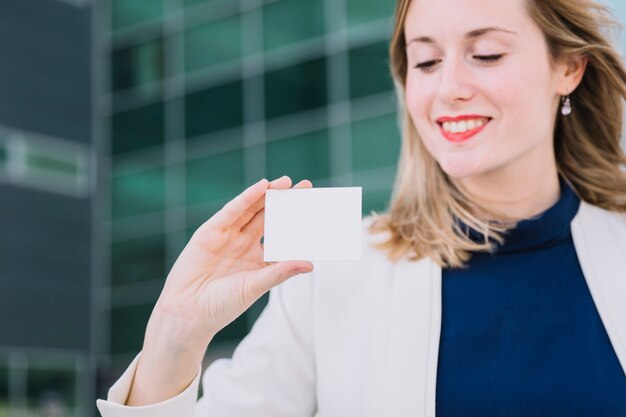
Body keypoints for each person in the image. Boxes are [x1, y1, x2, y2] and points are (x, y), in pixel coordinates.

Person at [97, 0, 626, 415]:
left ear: (569, 67)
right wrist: (175, 334)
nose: (448, 88)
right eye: (425, 61)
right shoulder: (331, 270)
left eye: (486, 54)